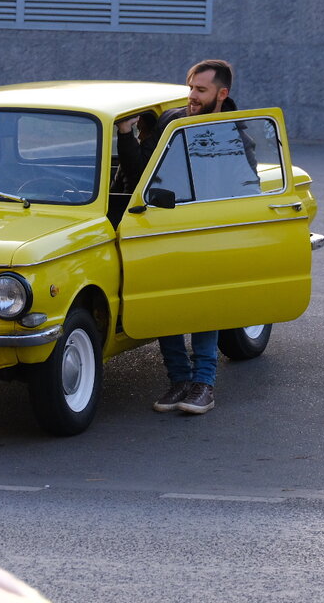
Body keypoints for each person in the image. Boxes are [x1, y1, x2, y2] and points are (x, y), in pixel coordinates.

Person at [116, 59, 238, 415]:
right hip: (164, 222)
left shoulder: (232, 129)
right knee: (167, 304)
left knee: (202, 308)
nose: (193, 96)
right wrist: (126, 135)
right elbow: (141, 171)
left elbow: (242, 186)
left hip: (207, 227)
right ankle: (179, 381)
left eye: (201, 90)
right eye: (191, 88)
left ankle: (204, 384)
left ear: (222, 93)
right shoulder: (172, 120)